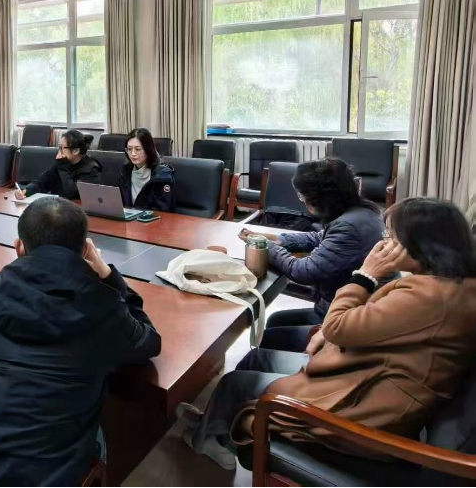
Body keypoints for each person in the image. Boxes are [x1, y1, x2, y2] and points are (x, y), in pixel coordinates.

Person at [177, 197, 476, 470]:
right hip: (363, 372)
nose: (384, 245)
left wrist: (366, 275)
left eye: (392, 238)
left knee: (234, 383)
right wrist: (328, 333)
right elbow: (374, 325)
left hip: (360, 405)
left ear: (422, 244)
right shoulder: (448, 286)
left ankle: (208, 439)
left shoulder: (431, 297)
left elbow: (339, 326)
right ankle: (212, 422)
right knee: (255, 359)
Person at [0, 196, 162, 487]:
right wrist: (107, 275)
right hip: (37, 475)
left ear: (19, 247)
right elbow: (149, 342)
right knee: (100, 429)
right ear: (85, 250)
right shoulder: (102, 309)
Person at [239, 158, 384, 352]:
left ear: (320, 198)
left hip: (349, 320)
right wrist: (278, 239)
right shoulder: (362, 212)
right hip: (350, 307)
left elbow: (303, 271)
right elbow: (320, 237)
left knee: (270, 337)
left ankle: (300, 367)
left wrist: (267, 247)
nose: (302, 201)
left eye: (302, 196)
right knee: (275, 320)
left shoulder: (349, 226)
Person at [15, 130, 101, 200]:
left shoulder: (91, 169)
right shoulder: (62, 163)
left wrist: (63, 167)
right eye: (59, 147)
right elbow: (41, 182)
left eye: (61, 147)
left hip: (78, 211)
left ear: (76, 151)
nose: (59, 151)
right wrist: (26, 191)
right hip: (58, 208)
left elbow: (71, 194)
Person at [117, 128, 176, 212]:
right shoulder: (125, 171)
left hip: (151, 219)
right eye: (129, 149)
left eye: (138, 149)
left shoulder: (163, 176)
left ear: (148, 150)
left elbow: (164, 211)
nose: (133, 154)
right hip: (129, 217)